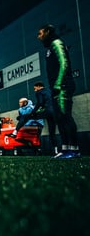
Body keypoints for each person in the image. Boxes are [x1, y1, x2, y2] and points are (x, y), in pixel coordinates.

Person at [37, 24, 80, 159]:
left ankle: (75, 149)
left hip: (63, 86)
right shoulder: (49, 48)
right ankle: (65, 149)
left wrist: (58, 83)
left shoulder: (57, 43)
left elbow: (64, 63)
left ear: (48, 32)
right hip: (55, 88)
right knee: (59, 119)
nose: (39, 37)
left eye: (40, 33)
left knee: (65, 117)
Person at [31, 81, 58, 154]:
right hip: (56, 111)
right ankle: (64, 148)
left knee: (51, 131)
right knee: (60, 128)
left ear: (39, 86)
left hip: (48, 112)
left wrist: (33, 112)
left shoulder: (39, 92)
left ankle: (55, 150)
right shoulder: (49, 90)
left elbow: (40, 102)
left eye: (35, 88)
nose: (34, 90)